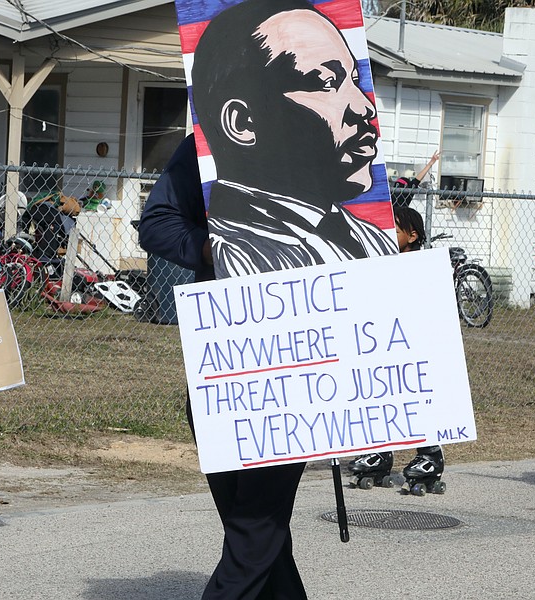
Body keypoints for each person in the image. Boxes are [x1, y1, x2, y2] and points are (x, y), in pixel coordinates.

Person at [140, 133, 308, 599]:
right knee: (248, 520)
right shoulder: (205, 142)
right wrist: (215, 248)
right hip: (225, 361)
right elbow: (157, 224)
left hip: (306, 363)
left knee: (255, 524)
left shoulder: (335, 144)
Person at [191, 0, 397, 279]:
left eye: (354, 80)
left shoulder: (374, 240)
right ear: (243, 123)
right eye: (327, 82)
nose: (365, 108)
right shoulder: (236, 256)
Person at [349, 205, 445, 493]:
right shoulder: (381, 263)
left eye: (396, 230)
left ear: (412, 236)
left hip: (415, 345)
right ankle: (380, 452)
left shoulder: (423, 266)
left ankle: (430, 455)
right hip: (384, 343)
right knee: (382, 396)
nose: (388, 233)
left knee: (417, 399)